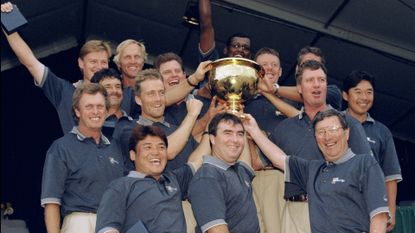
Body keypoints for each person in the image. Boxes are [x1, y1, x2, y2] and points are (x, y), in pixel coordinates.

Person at [243, 109, 389, 233]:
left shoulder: (364, 164)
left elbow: (379, 217)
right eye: (321, 132)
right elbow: (279, 159)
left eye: (333, 130)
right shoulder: (312, 170)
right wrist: (253, 130)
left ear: (347, 133)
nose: (327, 137)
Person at [270, 60, 371, 233]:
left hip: (337, 209)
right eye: (310, 80)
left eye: (321, 80)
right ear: (299, 88)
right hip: (295, 213)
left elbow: (368, 172)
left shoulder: (349, 124)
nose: (317, 85)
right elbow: (259, 161)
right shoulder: (284, 128)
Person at [40, 83, 125, 233]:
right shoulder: (61, 148)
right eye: (89, 107)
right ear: (77, 111)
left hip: (113, 224)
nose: (95, 112)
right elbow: (51, 202)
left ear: (106, 111)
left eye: (100, 106)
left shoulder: (115, 147)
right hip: (79, 224)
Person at [96, 124, 210, 233]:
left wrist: (208, 132)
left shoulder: (173, 179)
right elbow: (108, 228)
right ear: (133, 155)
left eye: (161, 147)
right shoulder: (120, 186)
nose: (156, 153)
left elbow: (197, 161)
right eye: (148, 147)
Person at [245, 47, 299, 233]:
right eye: (264, 65)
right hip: (247, 176)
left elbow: (302, 122)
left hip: (277, 175)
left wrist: (269, 92)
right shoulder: (243, 99)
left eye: (274, 65)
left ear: (281, 71)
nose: (269, 68)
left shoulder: (294, 101)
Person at [342, 70, 402, 231]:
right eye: (358, 92)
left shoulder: (382, 131)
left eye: (369, 92)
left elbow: (390, 175)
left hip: (373, 206)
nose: (364, 97)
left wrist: (391, 211)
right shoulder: (333, 122)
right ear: (345, 96)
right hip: (339, 202)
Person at [188, 113, 260, 233]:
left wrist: (237, 112)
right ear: (212, 138)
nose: (235, 140)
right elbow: (217, 230)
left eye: (240, 134)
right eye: (228, 133)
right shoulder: (207, 178)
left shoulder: (238, 170)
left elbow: (245, 161)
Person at [154, 52, 227, 141]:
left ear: (185, 76)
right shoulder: (154, 110)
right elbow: (175, 141)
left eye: (177, 71)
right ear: (157, 79)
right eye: (167, 72)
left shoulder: (209, 105)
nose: (174, 75)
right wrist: (207, 118)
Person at [90, 68, 133, 139]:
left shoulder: (134, 125)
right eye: (108, 87)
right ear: (95, 92)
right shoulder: (89, 125)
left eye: (118, 87)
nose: (114, 91)